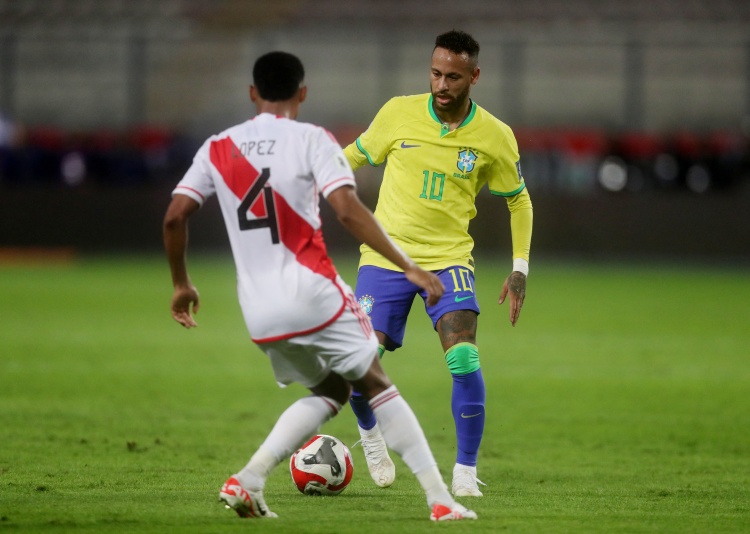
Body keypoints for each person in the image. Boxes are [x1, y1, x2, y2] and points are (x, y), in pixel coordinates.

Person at [162, 51, 477, 522]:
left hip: (258, 310)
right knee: (376, 383)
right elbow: (347, 210)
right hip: (313, 292)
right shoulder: (312, 139)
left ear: (252, 93)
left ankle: (249, 479)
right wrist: (408, 266)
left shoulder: (217, 147)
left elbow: (174, 217)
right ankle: (441, 500)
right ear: (303, 93)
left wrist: (181, 283)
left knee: (331, 391)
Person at [343, 30, 533, 497]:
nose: (441, 85)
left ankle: (465, 473)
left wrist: (519, 268)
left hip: (449, 261)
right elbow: (353, 157)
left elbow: (519, 201)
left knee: (464, 356)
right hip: (387, 257)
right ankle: (371, 436)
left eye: (453, 77)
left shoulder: (495, 136)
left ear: (474, 76)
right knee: (359, 365)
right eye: (435, 73)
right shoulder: (398, 113)